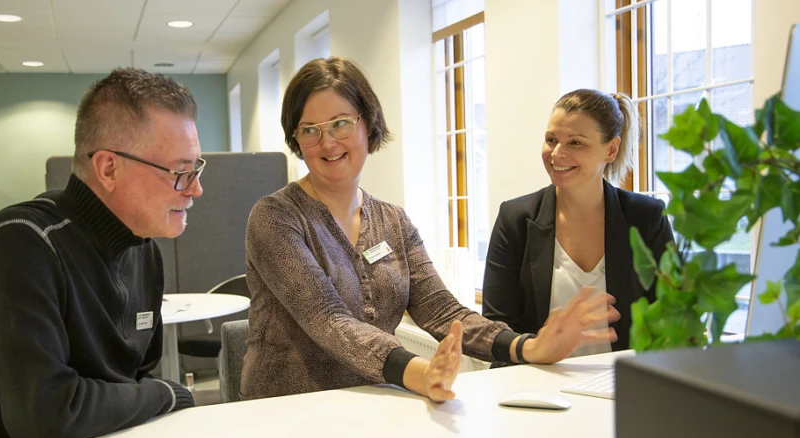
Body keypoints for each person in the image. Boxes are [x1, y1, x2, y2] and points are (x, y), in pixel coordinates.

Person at [241, 57, 620, 402]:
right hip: (286, 412)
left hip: (371, 408)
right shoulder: (276, 218)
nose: (328, 142)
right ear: (296, 140)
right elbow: (328, 319)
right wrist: (417, 371)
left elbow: (441, 310)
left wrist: (526, 347)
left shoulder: (393, 221)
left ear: (367, 124)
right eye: (310, 130)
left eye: (341, 123)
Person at [0, 68, 203, 438]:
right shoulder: (21, 244)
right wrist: (164, 394)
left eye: (196, 169)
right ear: (108, 167)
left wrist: (150, 396)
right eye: (180, 171)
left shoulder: (143, 250)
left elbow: (133, 375)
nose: (196, 189)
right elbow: (47, 415)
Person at [481, 89, 674, 357]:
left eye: (575, 143)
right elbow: (494, 329)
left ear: (611, 149)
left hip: (624, 385)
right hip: (536, 386)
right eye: (551, 139)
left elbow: (673, 319)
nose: (556, 153)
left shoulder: (647, 218)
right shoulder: (515, 219)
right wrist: (534, 346)